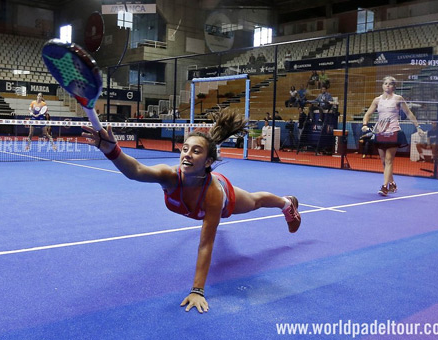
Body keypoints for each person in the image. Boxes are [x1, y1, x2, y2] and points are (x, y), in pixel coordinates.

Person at [81, 110, 301, 314]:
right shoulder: (169, 176)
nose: (187, 154)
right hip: (200, 198)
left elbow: (206, 243)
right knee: (254, 200)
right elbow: (137, 171)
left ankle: (285, 204)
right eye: (185, 148)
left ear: (208, 162)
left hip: (221, 198)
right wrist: (112, 150)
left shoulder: (213, 195)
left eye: (196, 151)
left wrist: (197, 290)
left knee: (254, 201)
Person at [362, 76, 424, 196]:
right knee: (383, 161)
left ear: (394, 86)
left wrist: (418, 127)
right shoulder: (377, 100)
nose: (387, 86)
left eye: (390, 84)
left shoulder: (398, 99)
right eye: (385, 83)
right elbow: (368, 114)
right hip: (380, 133)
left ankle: (385, 187)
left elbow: (409, 113)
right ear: (382, 85)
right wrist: (365, 124)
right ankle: (392, 183)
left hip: (394, 132)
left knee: (389, 160)